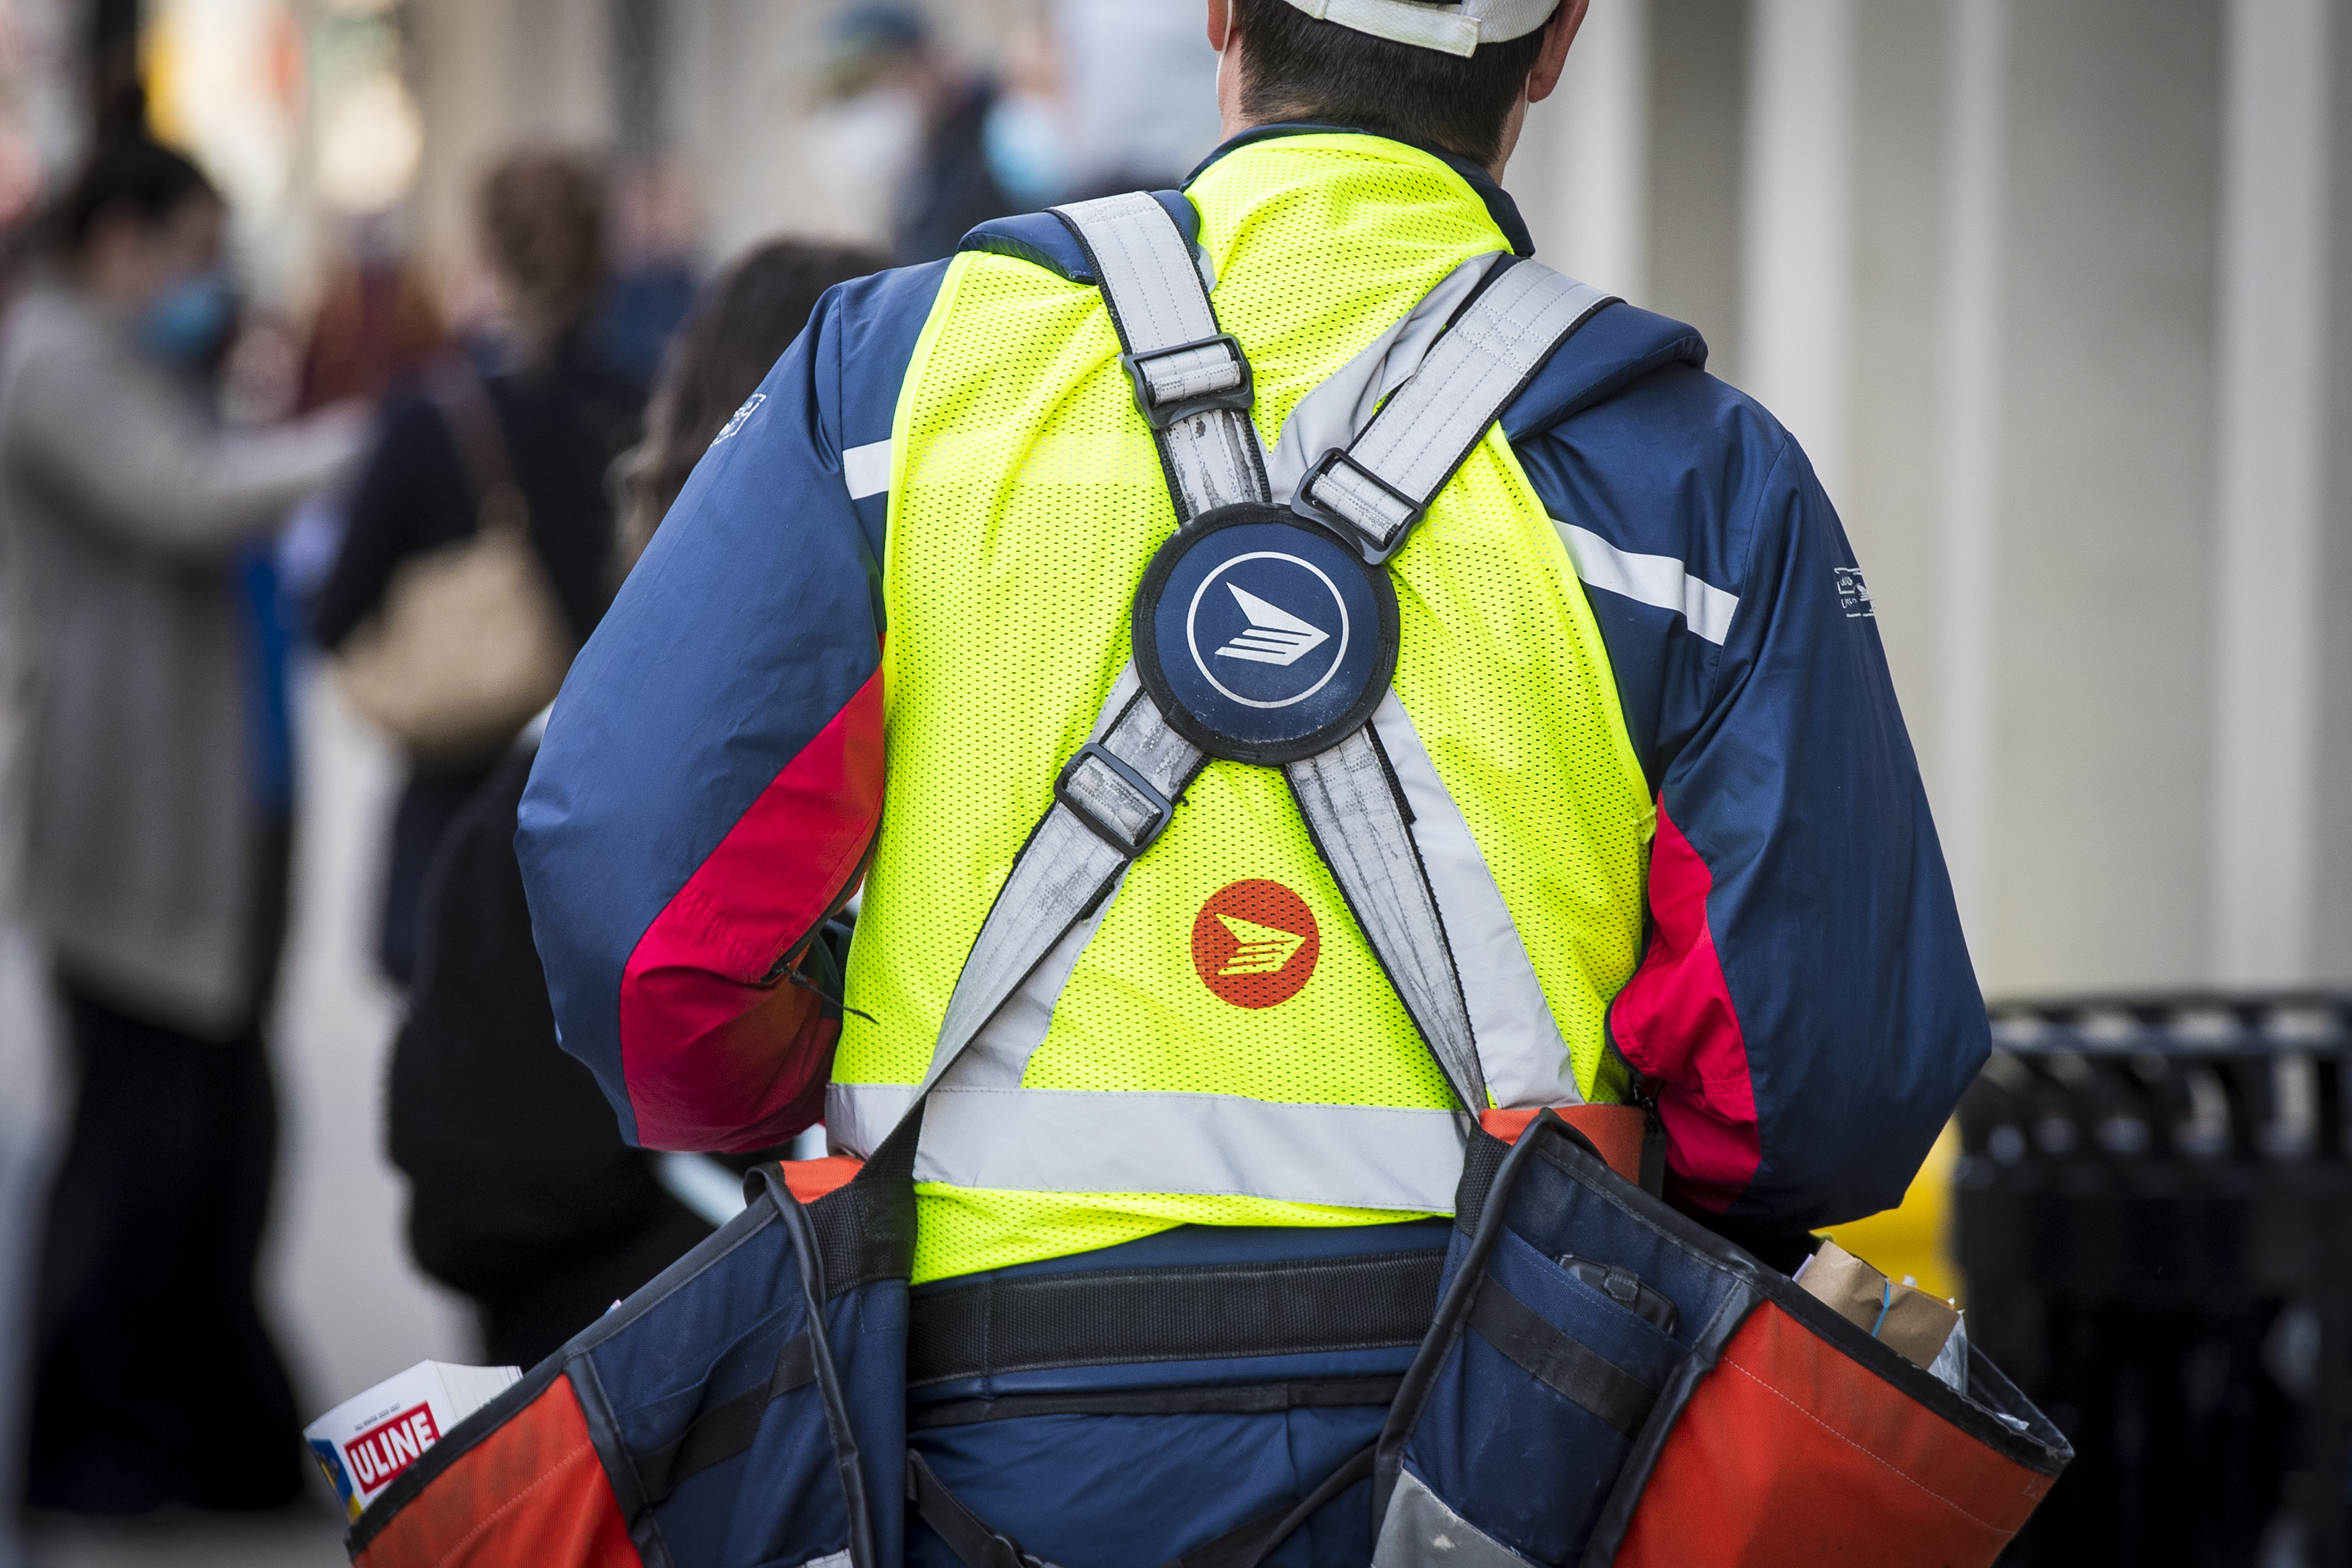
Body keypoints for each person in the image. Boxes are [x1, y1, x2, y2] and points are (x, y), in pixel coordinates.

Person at [517, 1, 1988, 1561]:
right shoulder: (1698, 483)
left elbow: (642, 917)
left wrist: (808, 1077)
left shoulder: (895, 384)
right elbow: (1821, 1086)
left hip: (968, 1451)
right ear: (1552, 44)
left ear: (1222, 13)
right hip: (1498, 1452)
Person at [386, 238, 882, 1371]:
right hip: (718, 1362)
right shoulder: (960, 773)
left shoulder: (569, 771)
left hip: (641, 1378)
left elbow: (465, 1192)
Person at [0, 131, 366, 1514]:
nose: (214, 283)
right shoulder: (56, 363)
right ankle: (103, 1450)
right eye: (197, 251)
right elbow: (184, 502)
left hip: (222, 821)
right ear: (122, 241)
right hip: (128, 837)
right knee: (141, 1158)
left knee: (221, 1148)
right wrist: (360, 443)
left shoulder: (142, 363)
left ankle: (206, 1439)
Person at [313, 149, 640, 989]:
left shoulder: (428, 419)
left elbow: (332, 612)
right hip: (613, 818)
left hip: (460, 825)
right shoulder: (641, 408)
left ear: (484, 256)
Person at [817, 5, 1019, 264]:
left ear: (927, 63)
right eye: (838, 97)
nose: (855, 112)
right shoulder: (920, 184)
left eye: (866, 84)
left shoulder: (1010, 133)